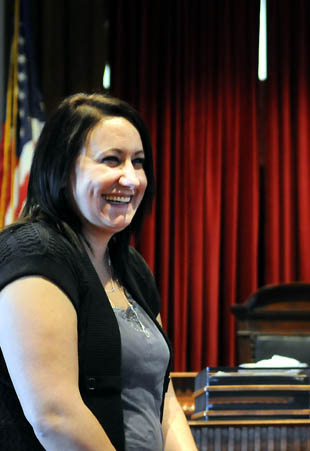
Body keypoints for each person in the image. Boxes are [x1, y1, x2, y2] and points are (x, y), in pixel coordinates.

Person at [0, 93, 196, 449]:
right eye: (111, 160)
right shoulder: (32, 252)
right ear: (61, 170)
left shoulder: (132, 267)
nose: (131, 179)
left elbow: (162, 398)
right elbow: (54, 416)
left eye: (138, 162)